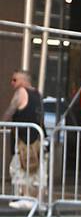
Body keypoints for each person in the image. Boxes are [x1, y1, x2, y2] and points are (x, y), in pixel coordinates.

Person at [3, 68, 44, 206]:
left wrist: (2, 122)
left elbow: (10, 111)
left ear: (23, 81)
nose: (12, 83)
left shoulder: (20, 93)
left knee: (20, 167)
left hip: (23, 138)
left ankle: (25, 196)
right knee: (36, 169)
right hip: (37, 137)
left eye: (15, 80)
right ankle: (35, 198)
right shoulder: (38, 94)